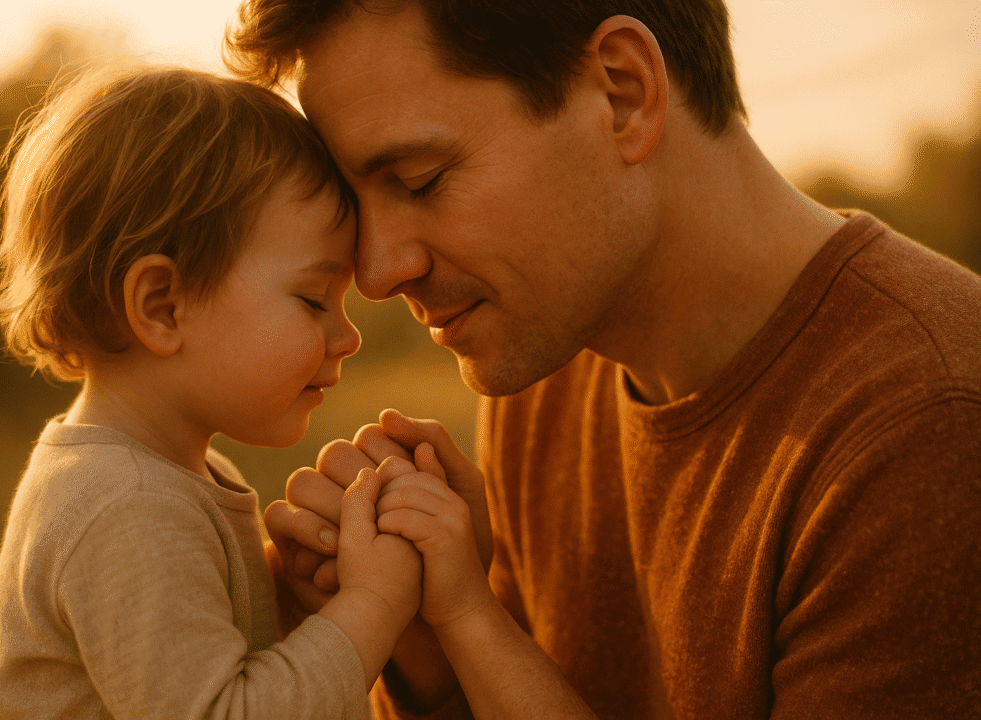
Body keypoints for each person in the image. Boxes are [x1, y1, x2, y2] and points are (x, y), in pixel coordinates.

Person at [226, 0, 981, 718]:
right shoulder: (545, 368)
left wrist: (471, 625)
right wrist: (433, 654)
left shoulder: (928, 432)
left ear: (623, 94)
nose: (377, 272)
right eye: (359, 204)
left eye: (421, 180)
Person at [0, 64, 427, 719]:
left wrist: (290, 606)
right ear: (163, 306)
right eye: (313, 299)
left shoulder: (164, 476)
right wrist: (374, 605)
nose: (348, 336)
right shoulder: (127, 506)